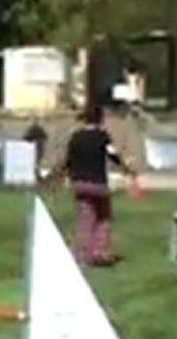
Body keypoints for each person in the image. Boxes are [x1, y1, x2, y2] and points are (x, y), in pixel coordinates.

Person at [46, 104, 136, 267]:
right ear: (100, 119)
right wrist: (127, 169)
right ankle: (98, 252)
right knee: (103, 217)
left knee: (85, 218)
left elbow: (67, 161)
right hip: (98, 183)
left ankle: (81, 254)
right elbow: (113, 154)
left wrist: (55, 177)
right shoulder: (102, 136)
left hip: (79, 183)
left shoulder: (76, 137)